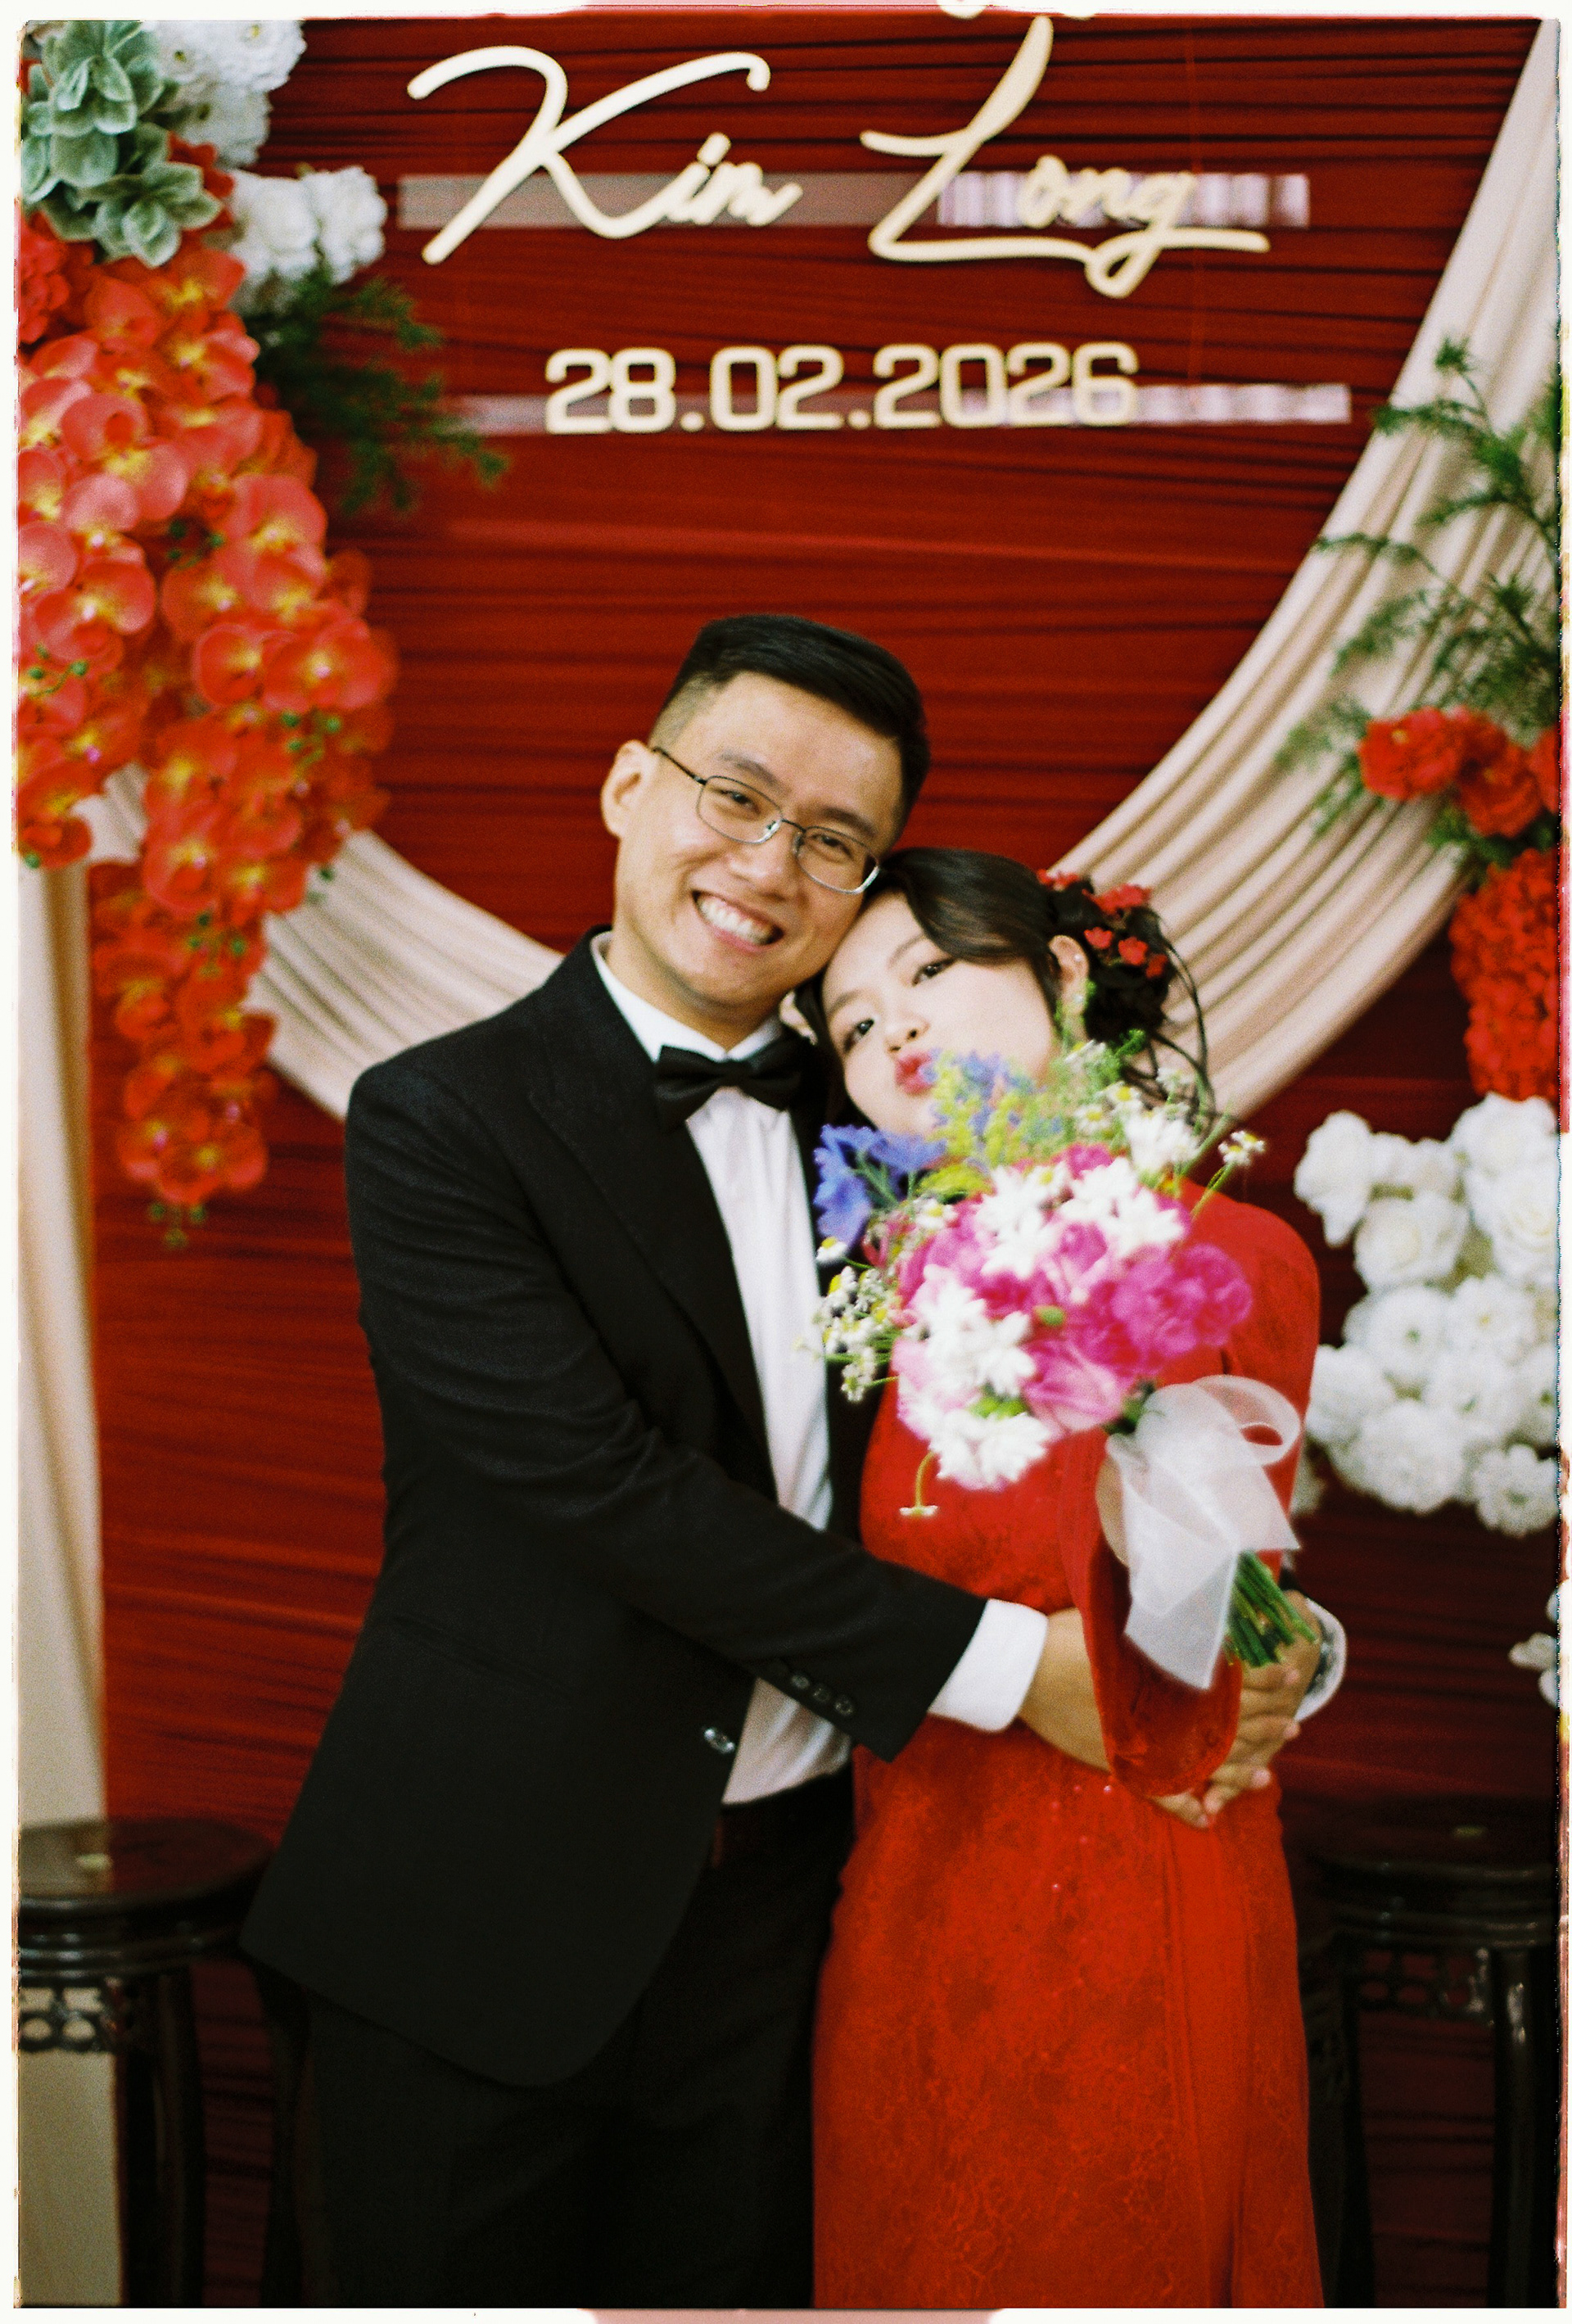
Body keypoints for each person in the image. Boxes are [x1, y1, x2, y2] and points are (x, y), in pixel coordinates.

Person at [244, 613, 1307, 2305]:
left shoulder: (901, 1119)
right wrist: (1021, 1670)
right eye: (735, 795)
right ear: (628, 787)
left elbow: (1080, 1462)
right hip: (486, 1904)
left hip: (800, 1920)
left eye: (831, 838)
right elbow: (609, 1494)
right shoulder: (442, 1119)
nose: (767, 863)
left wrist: (1253, 1629)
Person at [802, 847, 1337, 2308]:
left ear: (1064, 974)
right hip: (910, 1894)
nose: (896, 1027)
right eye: (854, 1023)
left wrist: (1280, 1641)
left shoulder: (1218, 1251)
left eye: (928, 969)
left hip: (1132, 1874)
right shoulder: (882, 1291)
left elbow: (1206, 1622)